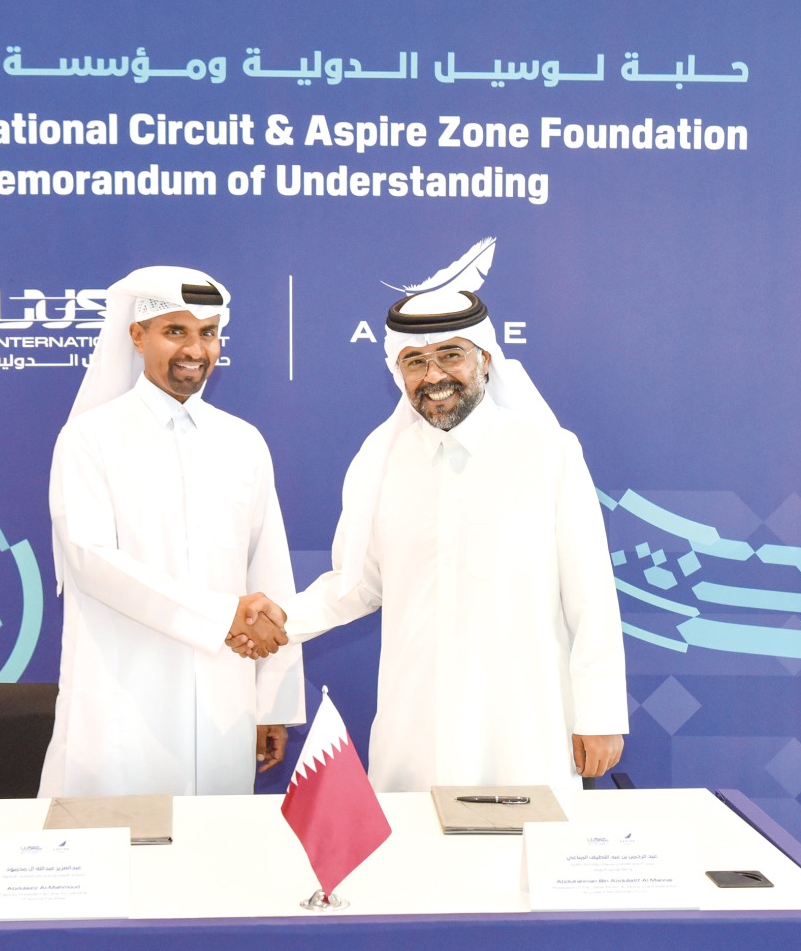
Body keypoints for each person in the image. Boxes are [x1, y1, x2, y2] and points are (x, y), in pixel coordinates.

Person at [249, 286, 626, 792]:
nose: (433, 376)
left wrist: (600, 714)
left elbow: (591, 594)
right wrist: (283, 619)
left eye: (450, 355)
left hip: (522, 722)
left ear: (484, 359)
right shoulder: (381, 460)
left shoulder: (548, 451)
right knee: (416, 838)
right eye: (415, 362)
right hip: (416, 723)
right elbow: (357, 584)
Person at [38, 265, 303, 798]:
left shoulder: (243, 442)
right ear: (137, 336)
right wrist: (220, 615)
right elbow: (92, 562)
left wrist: (272, 701)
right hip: (123, 697)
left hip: (225, 699)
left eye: (208, 333)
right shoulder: (90, 438)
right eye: (175, 331)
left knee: (216, 843)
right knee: (119, 839)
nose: (195, 350)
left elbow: (269, 570)